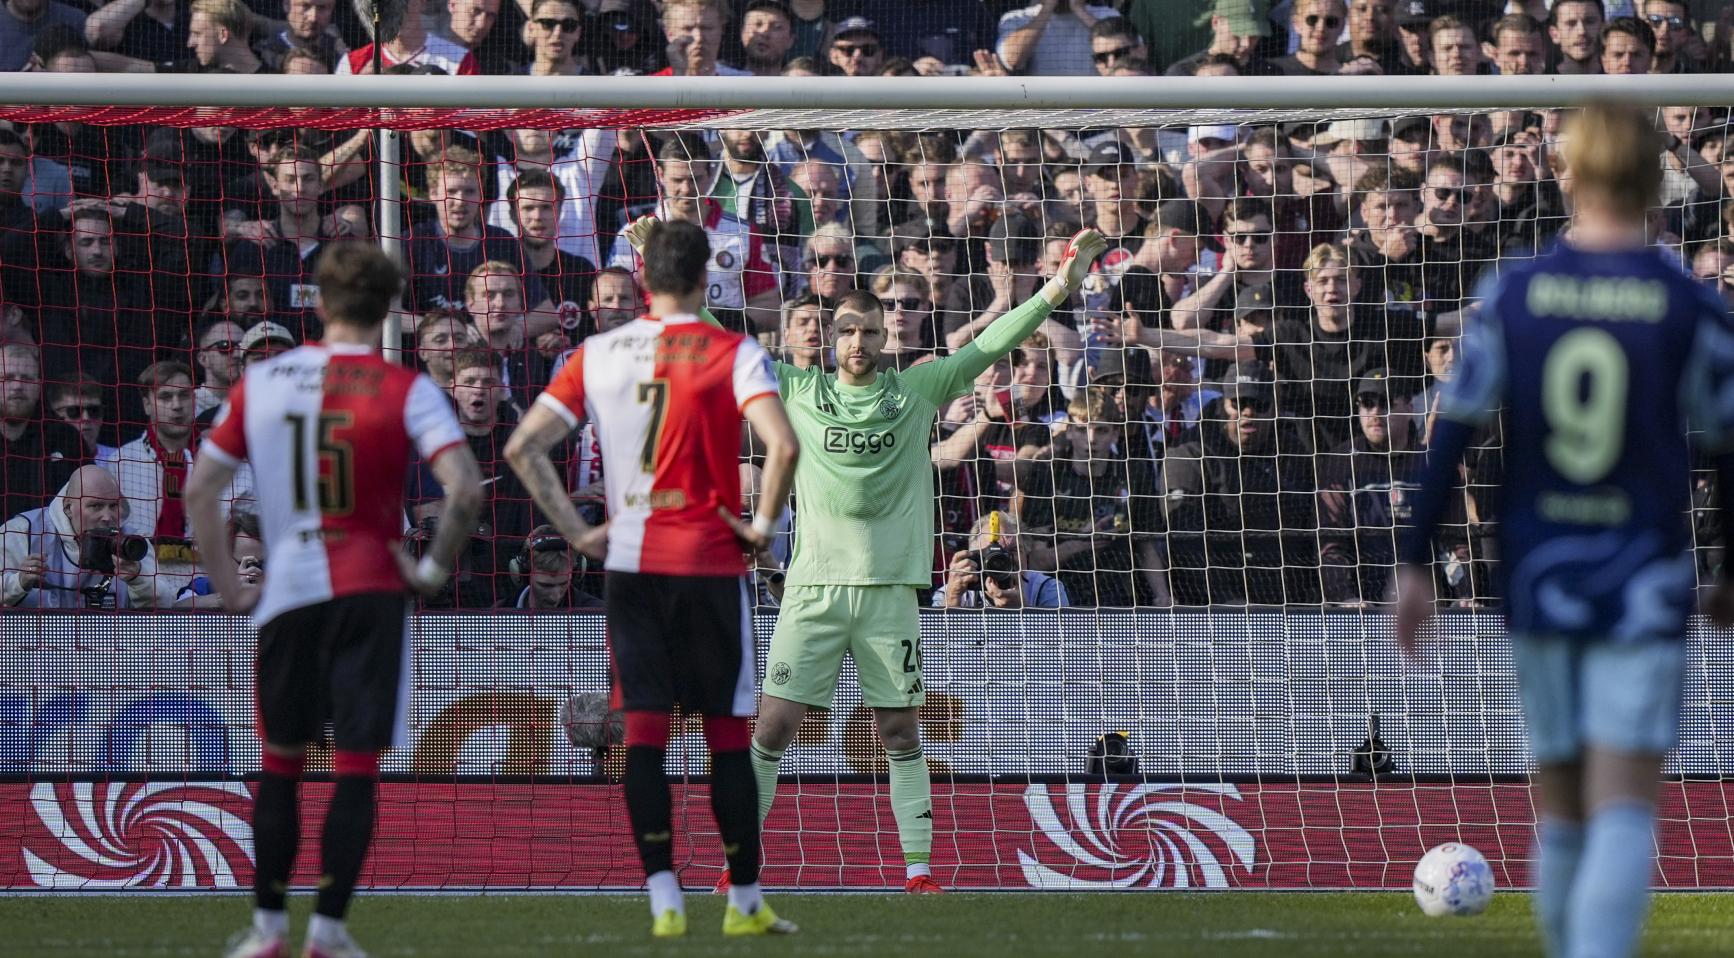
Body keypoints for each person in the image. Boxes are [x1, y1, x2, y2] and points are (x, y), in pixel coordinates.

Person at [623, 210, 1106, 893]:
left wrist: (1059, 287)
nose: (856, 341)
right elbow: (715, 332)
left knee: (902, 734)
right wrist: (658, 265)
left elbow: (995, 340)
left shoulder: (917, 390)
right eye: (845, 330)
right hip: (813, 589)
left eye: (869, 331)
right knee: (771, 728)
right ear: (830, 338)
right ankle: (741, 870)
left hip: (887, 593)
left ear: (885, 338)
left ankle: (917, 871)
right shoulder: (797, 390)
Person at [1393, 101, 1734, 958]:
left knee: (1564, 794)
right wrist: (1728, 565)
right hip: (1646, 572)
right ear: (1657, 177)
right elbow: (1730, 448)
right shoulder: (1688, 302)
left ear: (1566, 172)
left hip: (1540, 569)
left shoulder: (1515, 290)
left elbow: (1453, 433)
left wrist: (1414, 564)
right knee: (1625, 795)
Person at [504, 218, 801, 937]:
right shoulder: (733, 350)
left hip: (633, 563)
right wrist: (760, 529)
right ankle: (744, 902)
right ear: (705, 280)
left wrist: (578, 533)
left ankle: (663, 895)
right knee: (728, 734)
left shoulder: (597, 353)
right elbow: (783, 446)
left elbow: (523, 446)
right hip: (707, 562)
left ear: (642, 282)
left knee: (643, 732)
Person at [189, 241, 482, 958]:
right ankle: (327, 931)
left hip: (287, 590)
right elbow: (467, 488)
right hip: (372, 590)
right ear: (388, 310)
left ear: (317, 303)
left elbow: (201, 489)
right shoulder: (405, 387)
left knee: (282, 762)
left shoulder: (261, 383)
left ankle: (266, 932)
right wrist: (433, 567)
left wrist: (230, 584)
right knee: (355, 765)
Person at [1, 464, 168, 609]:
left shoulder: (132, 542)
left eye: (113, 505)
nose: (107, 517)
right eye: (95, 506)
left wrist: (138, 579)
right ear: (68, 507)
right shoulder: (23, 531)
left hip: (110, 642)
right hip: (34, 642)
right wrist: (18, 583)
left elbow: (167, 604)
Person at [934, 510, 1069, 608]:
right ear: (973, 555)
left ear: (1026, 556)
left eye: (1013, 550)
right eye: (992, 552)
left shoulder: (1046, 588)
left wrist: (1021, 610)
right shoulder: (955, 591)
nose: (1002, 559)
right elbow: (934, 643)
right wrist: (952, 598)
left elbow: (1059, 644)